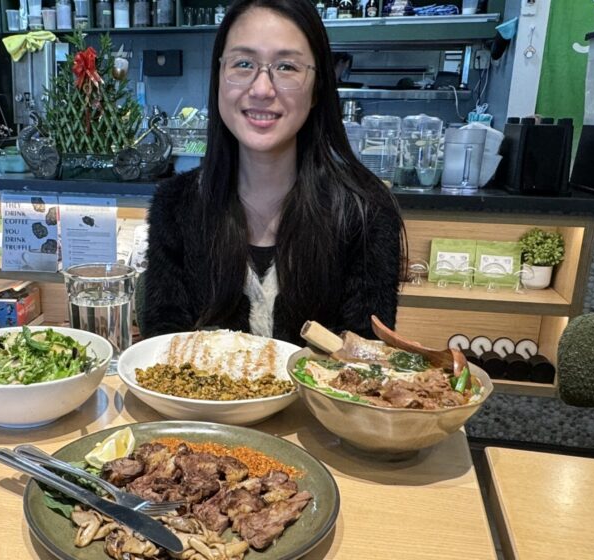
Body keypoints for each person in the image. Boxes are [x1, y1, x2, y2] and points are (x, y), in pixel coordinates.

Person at [139, 0, 405, 345]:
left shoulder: (364, 212)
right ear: (219, 77)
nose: (262, 89)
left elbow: (367, 362)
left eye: (286, 67)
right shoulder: (175, 205)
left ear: (316, 88)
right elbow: (164, 352)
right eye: (243, 63)